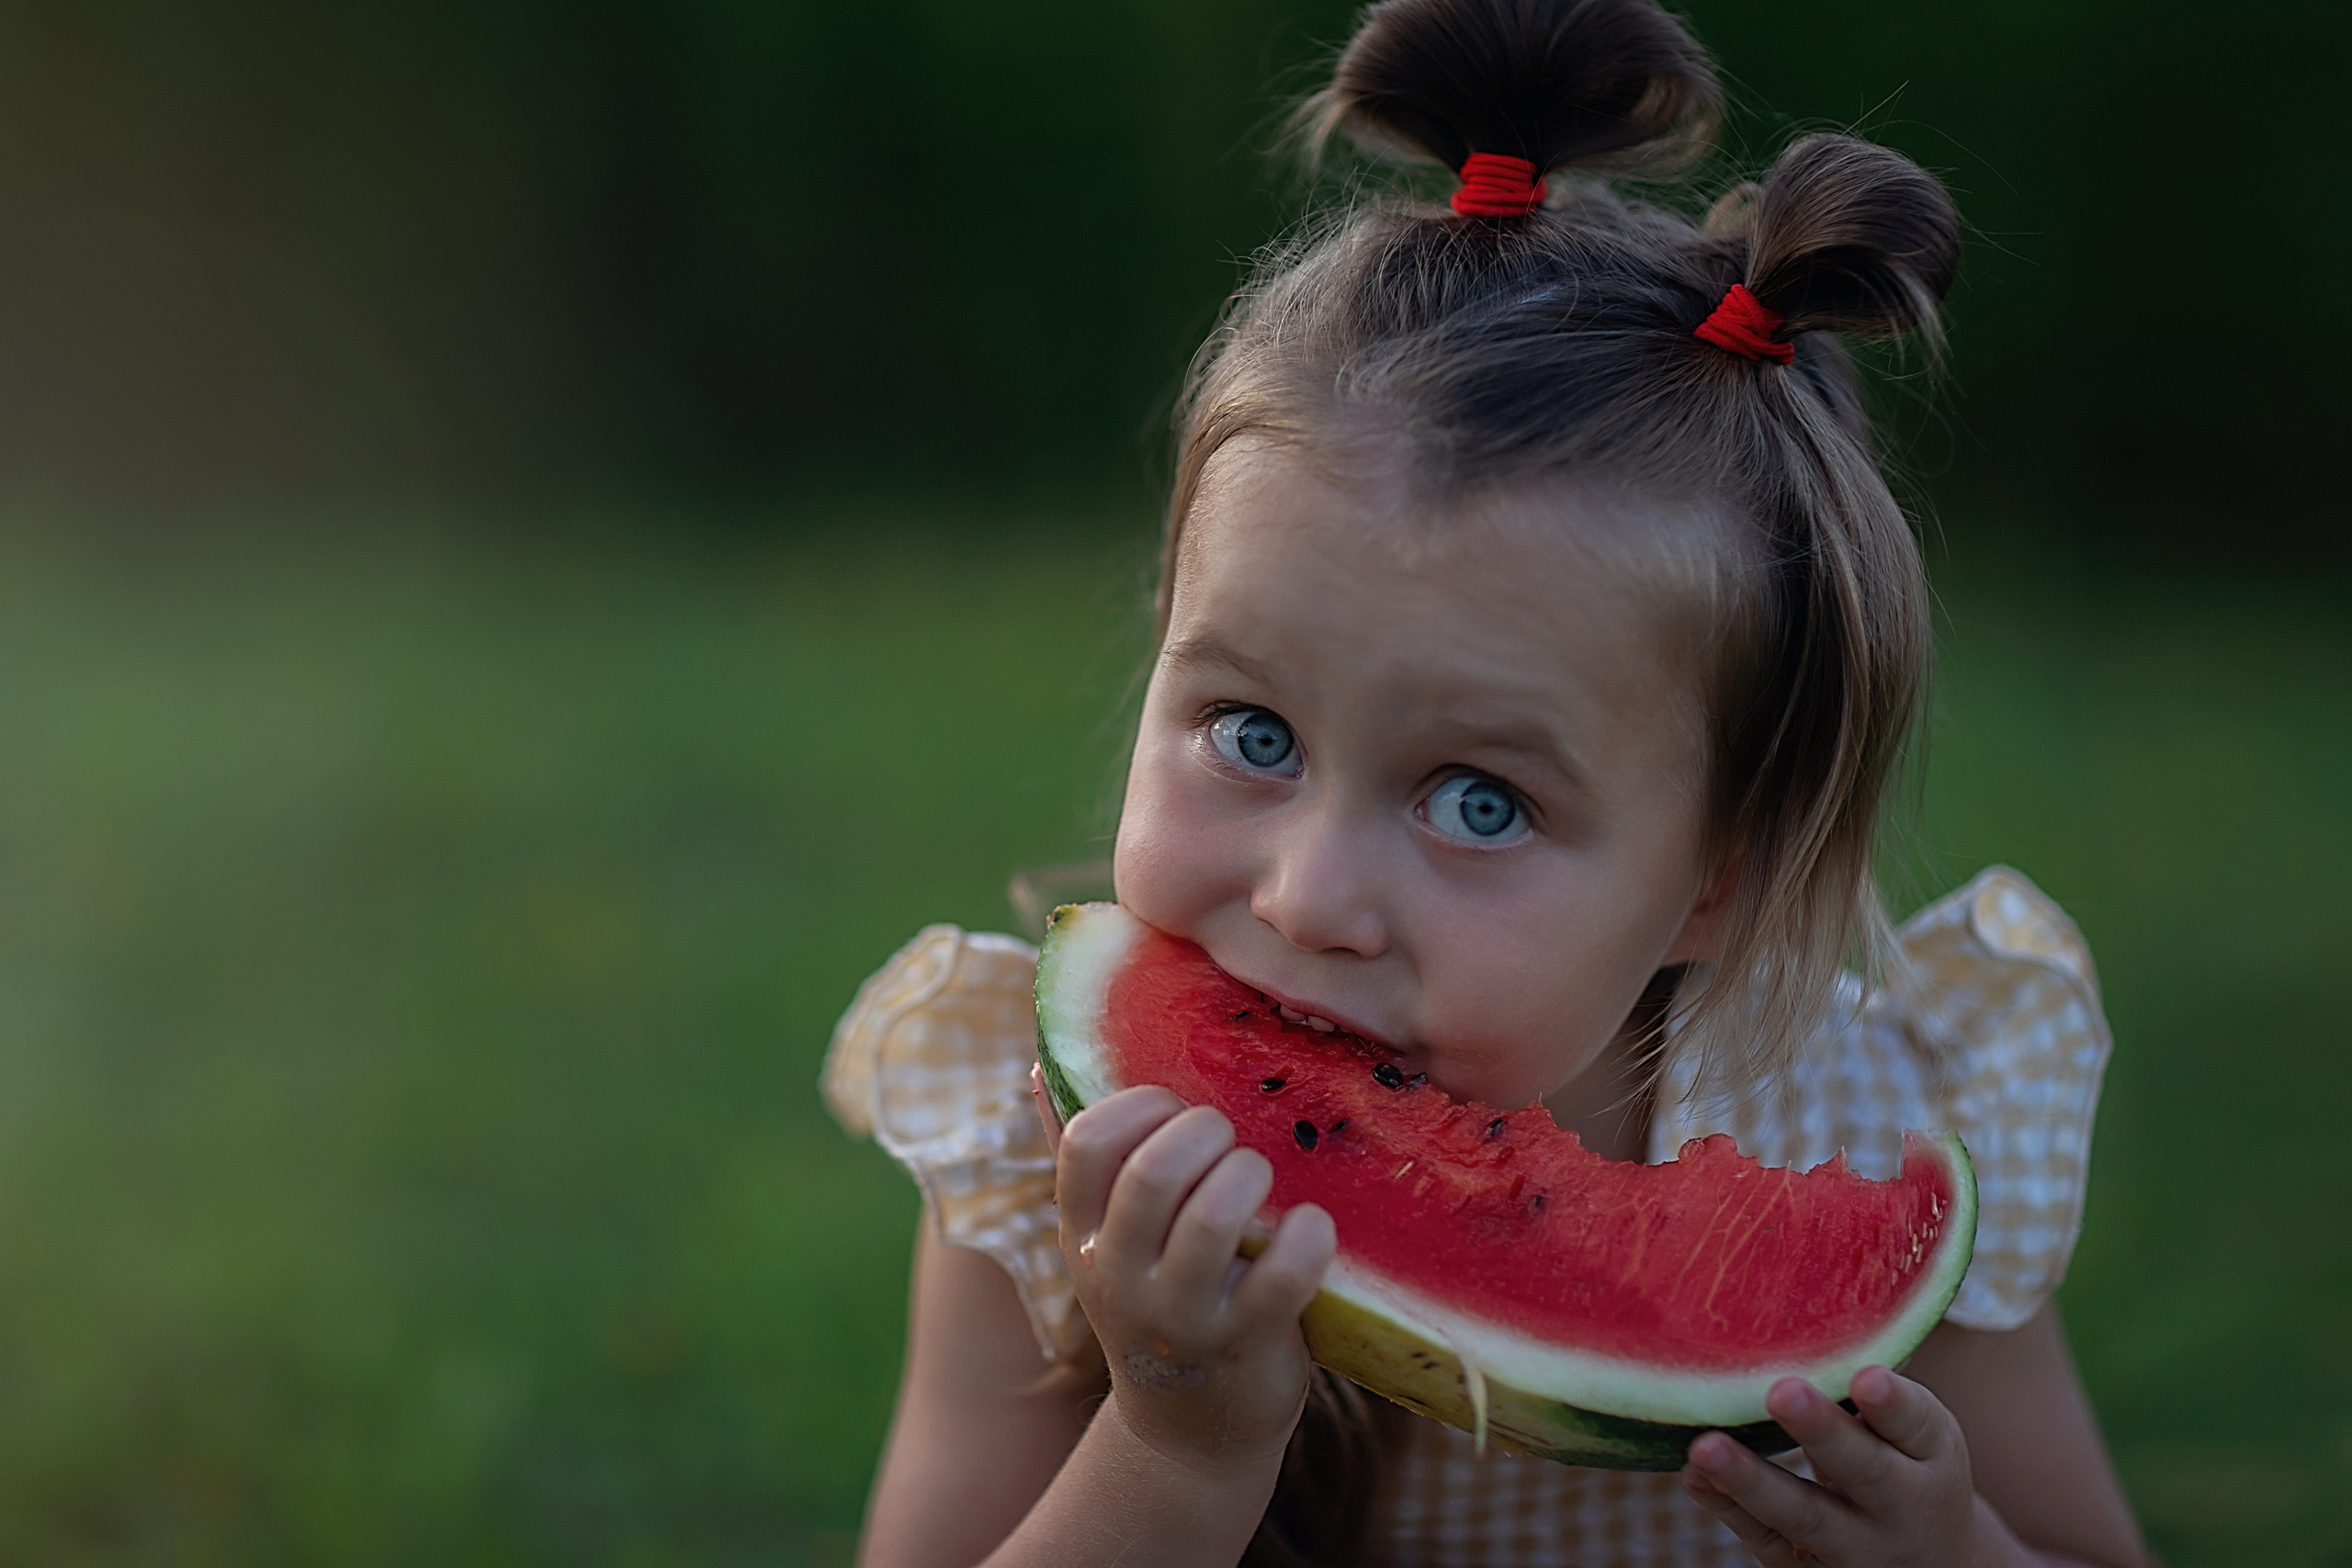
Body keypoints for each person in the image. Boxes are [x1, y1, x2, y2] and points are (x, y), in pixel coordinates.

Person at [821, 0, 2148, 1562]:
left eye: (1480, 804)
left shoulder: (1877, 1133)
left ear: (1721, 873)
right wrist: (1174, 1453)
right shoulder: (1042, 1155)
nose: (1311, 897)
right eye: (1252, 734)